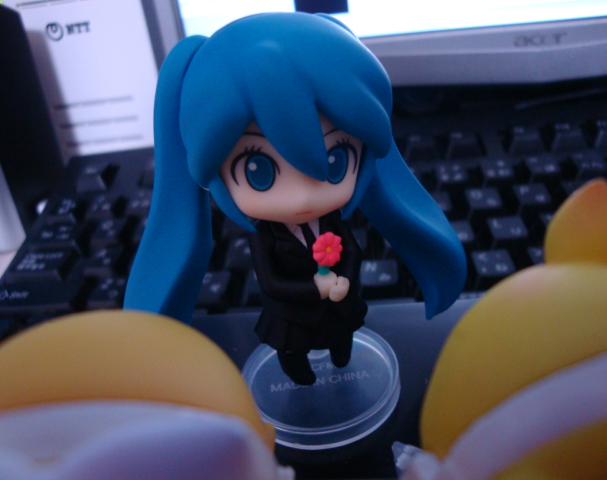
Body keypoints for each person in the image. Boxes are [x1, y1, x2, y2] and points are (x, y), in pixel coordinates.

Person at [124, 12, 466, 385]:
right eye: (259, 171)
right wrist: (316, 287)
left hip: (338, 309)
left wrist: (344, 281)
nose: (302, 197)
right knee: (294, 362)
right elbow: (270, 281)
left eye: (336, 161)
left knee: (342, 346)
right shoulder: (266, 238)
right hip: (291, 317)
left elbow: (351, 252)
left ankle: (340, 357)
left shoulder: (332, 223)